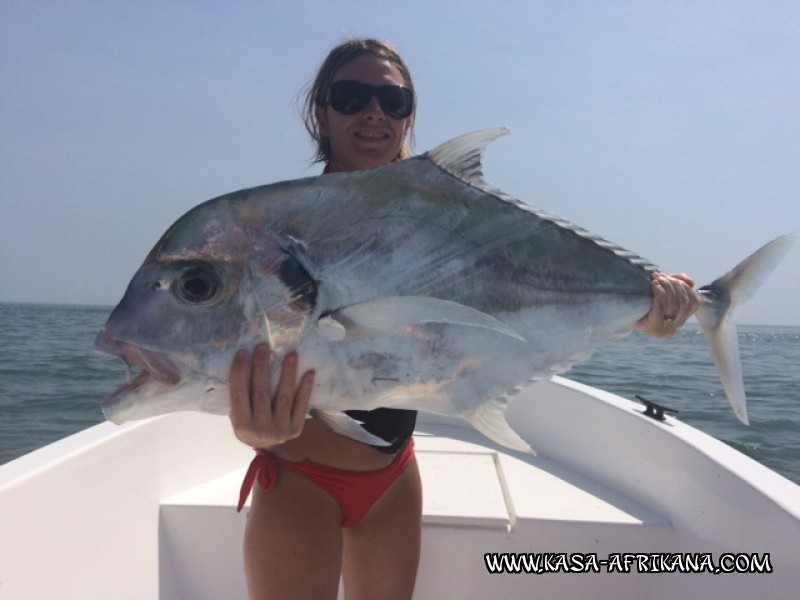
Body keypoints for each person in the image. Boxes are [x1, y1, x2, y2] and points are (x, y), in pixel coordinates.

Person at [229, 38, 701, 600]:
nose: (374, 111)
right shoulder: (282, 233)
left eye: (393, 101)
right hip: (301, 481)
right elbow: (238, 349)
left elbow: (515, 301)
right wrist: (248, 426)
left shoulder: (444, 226)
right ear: (321, 112)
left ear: (408, 118)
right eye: (352, 97)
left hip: (393, 480)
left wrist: (641, 310)